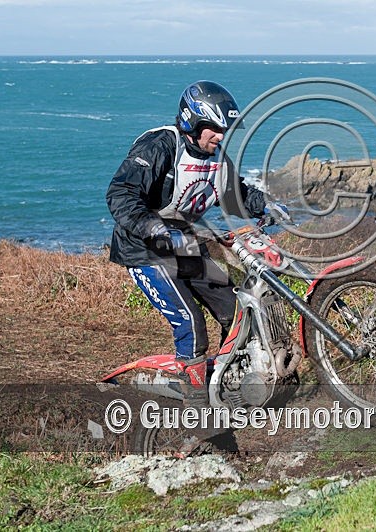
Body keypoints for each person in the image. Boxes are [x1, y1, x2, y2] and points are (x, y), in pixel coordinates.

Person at [106, 80, 284, 395]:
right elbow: (121, 193)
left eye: (224, 129)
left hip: (182, 243)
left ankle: (232, 386)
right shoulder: (160, 146)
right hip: (143, 248)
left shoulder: (216, 157)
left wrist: (267, 204)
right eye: (214, 128)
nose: (220, 136)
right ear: (192, 122)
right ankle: (197, 410)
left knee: (234, 309)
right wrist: (151, 226)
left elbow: (235, 193)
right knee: (190, 322)